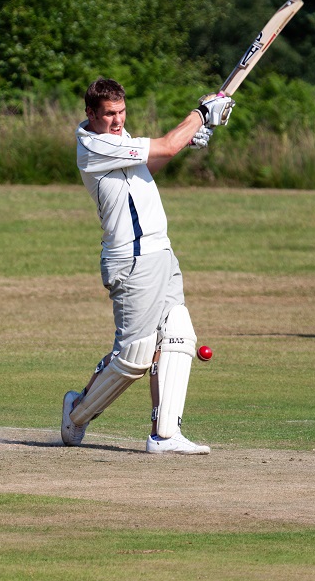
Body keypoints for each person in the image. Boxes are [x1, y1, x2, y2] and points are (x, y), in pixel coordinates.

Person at [60, 78, 234, 454]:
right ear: (91, 114)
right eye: (109, 114)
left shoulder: (118, 139)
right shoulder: (93, 143)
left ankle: (165, 435)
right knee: (134, 356)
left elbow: (152, 163)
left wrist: (189, 138)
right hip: (132, 260)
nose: (117, 120)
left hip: (161, 252)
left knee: (179, 335)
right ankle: (76, 412)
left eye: (122, 112)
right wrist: (201, 115)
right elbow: (166, 145)